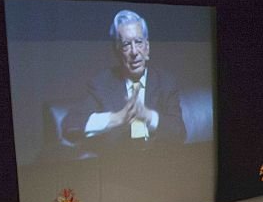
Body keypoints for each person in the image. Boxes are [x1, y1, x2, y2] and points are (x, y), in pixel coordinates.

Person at [62, 10, 186, 152]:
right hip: (118, 167)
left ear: (147, 47)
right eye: (126, 44)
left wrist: (148, 116)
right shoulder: (101, 84)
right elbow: (69, 125)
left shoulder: (165, 82)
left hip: (158, 164)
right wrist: (116, 118)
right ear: (117, 51)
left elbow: (180, 133)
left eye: (139, 42)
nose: (134, 52)